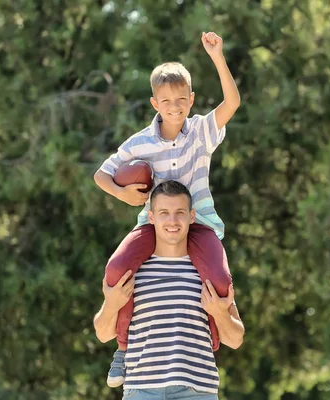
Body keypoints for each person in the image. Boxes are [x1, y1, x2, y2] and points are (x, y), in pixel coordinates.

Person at [93, 32, 241, 387]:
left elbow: (232, 102)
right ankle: (124, 350)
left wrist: (217, 57)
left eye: (180, 99)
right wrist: (123, 194)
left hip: (199, 223)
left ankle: (209, 339)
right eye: (166, 100)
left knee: (220, 281)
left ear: (191, 100)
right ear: (154, 103)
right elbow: (101, 174)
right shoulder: (140, 142)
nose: (174, 106)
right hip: (154, 224)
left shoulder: (202, 131)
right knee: (116, 271)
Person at [94, 181, 245, 399]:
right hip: (142, 391)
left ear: (191, 216)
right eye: (164, 212)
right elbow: (103, 333)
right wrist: (111, 304)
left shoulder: (207, 270)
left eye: (180, 212)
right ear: (151, 217)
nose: (172, 221)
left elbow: (235, 339)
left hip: (197, 391)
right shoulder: (133, 271)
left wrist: (220, 312)